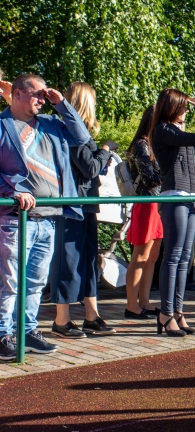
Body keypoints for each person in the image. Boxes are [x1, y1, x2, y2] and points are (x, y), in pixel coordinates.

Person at [0, 74, 91, 359]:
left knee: (37, 282)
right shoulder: (3, 125)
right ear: (16, 94)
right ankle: (3, 334)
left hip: (49, 217)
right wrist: (10, 189)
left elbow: (83, 137)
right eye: (36, 93)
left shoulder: (52, 124)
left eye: (44, 94)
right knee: (10, 281)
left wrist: (61, 103)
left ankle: (27, 330)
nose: (42, 98)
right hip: (16, 218)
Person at [50, 82, 119, 338]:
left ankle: (92, 315)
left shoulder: (80, 131)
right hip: (73, 203)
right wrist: (105, 150)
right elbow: (89, 168)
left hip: (86, 201)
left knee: (89, 259)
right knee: (69, 260)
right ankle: (61, 319)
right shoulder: (71, 130)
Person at [151, 87, 195, 337]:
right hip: (174, 197)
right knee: (173, 257)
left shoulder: (176, 133)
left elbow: (192, 156)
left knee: (185, 258)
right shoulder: (163, 130)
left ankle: (177, 311)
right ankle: (165, 313)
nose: (187, 110)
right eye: (183, 106)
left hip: (190, 197)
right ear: (172, 107)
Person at [124, 106, 164, 320]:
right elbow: (149, 179)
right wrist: (170, 169)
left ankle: (145, 301)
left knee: (152, 257)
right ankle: (132, 306)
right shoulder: (142, 145)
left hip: (158, 203)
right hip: (147, 202)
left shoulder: (154, 144)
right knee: (140, 256)